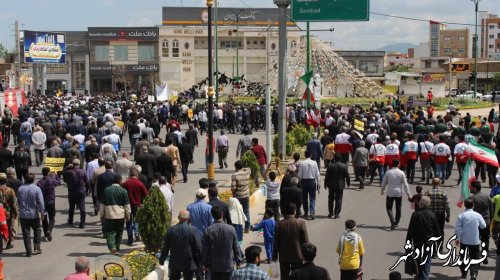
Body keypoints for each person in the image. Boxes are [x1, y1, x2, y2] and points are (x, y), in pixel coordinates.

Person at [159, 210, 203, 280]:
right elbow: (198, 247)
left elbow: (166, 247)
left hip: (175, 262)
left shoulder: (171, 230)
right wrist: (202, 261)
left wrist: (161, 260)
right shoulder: (193, 230)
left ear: (179, 217)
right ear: (189, 218)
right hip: (189, 262)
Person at [405, 196, 440, 280]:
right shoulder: (432, 215)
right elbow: (437, 232)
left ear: (420, 204)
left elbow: (410, 230)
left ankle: (420, 275)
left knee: (418, 260)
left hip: (417, 243)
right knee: (426, 262)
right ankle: (424, 277)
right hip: (429, 243)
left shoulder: (415, 215)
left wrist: (408, 243)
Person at [202, 206, 241, 280]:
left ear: (212, 215)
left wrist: (205, 263)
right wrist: (238, 260)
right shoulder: (231, 229)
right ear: (222, 214)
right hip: (228, 266)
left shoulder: (208, 230)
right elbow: (236, 247)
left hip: (214, 266)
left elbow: (205, 249)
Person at [272, 203, 309, 280]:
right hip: (298, 256)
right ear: (295, 211)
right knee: (298, 277)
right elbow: (306, 242)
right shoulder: (301, 223)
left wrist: (274, 257)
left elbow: (276, 242)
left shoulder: (279, 224)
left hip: (283, 257)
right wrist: (307, 257)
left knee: (284, 277)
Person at [454, 198, 486, 280]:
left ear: (464, 205)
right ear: (473, 205)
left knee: (463, 257)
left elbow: (457, 228)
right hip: (475, 240)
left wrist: (457, 238)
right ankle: (473, 274)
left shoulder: (461, 216)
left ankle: (464, 274)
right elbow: (484, 226)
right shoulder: (477, 215)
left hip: (464, 241)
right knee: (475, 258)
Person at [99, 175, 131, 255]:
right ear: (120, 181)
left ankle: (112, 247)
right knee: (119, 232)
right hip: (120, 215)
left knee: (110, 232)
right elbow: (127, 206)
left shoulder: (107, 190)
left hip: (109, 215)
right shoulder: (124, 191)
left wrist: (101, 215)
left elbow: (102, 204)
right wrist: (128, 215)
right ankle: (117, 247)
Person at [17, 173, 45, 256]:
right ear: (33, 180)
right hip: (33, 214)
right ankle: (36, 247)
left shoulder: (20, 189)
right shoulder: (36, 189)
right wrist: (42, 212)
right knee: (37, 230)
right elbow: (41, 202)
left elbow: (18, 201)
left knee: (26, 234)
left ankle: (28, 251)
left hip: (23, 215)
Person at [381, 159, 411, 230]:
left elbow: (384, 183)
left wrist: (382, 190)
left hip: (390, 192)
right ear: (398, 164)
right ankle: (396, 223)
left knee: (389, 208)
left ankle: (392, 221)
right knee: (398, 208)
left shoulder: (388, 172)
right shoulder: (401, 173)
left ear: (392, 164)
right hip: (398, 193)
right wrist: (409, 194)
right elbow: (405, 184)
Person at [122, 169, 148, 246]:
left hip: (127, 205)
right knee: (137, 220)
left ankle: (130, 240)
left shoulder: (126, 183)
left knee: (128, 222)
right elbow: (146, 194)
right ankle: (136, 232)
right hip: (137, 205)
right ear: (137, 175)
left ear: (130, 175)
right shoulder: (140, 184)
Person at [424, 178, 450, 253]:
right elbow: (447, 205)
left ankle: (433, 249)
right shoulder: (443, 193)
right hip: (440, 215)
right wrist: (448, 215)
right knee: (440, 231)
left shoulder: (427, 192)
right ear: (439, 184)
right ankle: (440, 248)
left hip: (430, 215)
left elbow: (424, 204)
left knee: (431, 231)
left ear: (432, 183)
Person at [470, 180, 492, 264]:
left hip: (475, 223)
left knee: (475, 240)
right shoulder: (487, 196)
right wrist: (490, 219)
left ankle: (476, 259)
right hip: (486, 221)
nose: (470, 188)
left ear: (475, 188)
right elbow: (491, 210)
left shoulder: (472, 198)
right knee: (485, 239)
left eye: (471, 187)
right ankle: (485, 256)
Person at [63, 159, 89, 228]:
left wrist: (67, 167)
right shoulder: (83, 171)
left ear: (73, 164)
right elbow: (87, 182)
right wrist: (87, 190)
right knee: (82, 207)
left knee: (71, 207)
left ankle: (70, 220)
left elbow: (64, 176)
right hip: (81, 191)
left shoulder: (69, 172)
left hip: (72, 191)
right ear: (79, 164)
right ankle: (82, 222)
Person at [37, 167, 60, 241]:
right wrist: (56, 175)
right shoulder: (51, 181)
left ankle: (46, 233)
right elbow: (58, 182)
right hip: (51, 202)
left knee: (44, 219)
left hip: (43, 203)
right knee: (52, 218)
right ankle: (49, 230)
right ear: (48, 172)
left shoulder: (39, 182)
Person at [324, 154, 350, 219]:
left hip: (331, 185)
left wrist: (325, 183)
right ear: (340, 159)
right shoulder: (344, 166)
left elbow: (327, 176)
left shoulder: (330, 166)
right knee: (339, 199)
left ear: (334, 159)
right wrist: (348, 183)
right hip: (340, 185)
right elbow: (347, 176)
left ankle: (330, 213)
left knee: (330, 199)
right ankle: (336, 214)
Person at [298, 151, 320, 220]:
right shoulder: (314, 162)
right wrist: (318, 183)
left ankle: (306, 212)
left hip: (304, 182)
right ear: (310, 155)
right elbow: (317, 174)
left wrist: (299, 183)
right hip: (312, 181)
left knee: (304, 198)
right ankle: (312, 212)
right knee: (312, 198)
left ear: (305, 155)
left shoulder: (302, 163)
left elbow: (299, 175)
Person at [231, 160, 251, 232]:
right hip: (246, 195)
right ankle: (247, 227)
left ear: (236, 167)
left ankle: (238, 228)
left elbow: (233, 187)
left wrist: (233, 194)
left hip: (237, 196)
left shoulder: (235, 175)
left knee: (237, 212)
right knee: (246, 211)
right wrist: (243, 168)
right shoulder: (247, 172)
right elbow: (248, 168)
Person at [0, 173, 18, 249]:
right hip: (7, 213)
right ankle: (8, 243)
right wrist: (16, 213)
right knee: (8, 227)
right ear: (6, 180)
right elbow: (14, 203)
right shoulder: (10, 190)